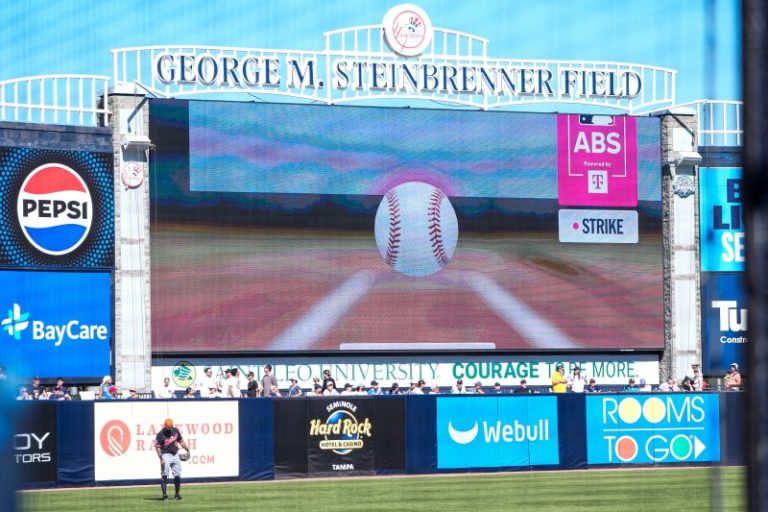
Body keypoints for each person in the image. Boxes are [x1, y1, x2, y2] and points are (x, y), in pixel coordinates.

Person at [154, 418, 190, 501]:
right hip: (165, 455)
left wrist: (187, 449)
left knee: (177, 475)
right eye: (167, 427)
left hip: (175, 454)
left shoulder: (175, 430)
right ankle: (164, 495)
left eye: (170, 427)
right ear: (165, 426)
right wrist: (161, 458)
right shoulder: (160, 434)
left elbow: (181, 441)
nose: (168, 429)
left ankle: (177, 495)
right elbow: (157, 447)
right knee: (164, 475)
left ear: (172, 426)